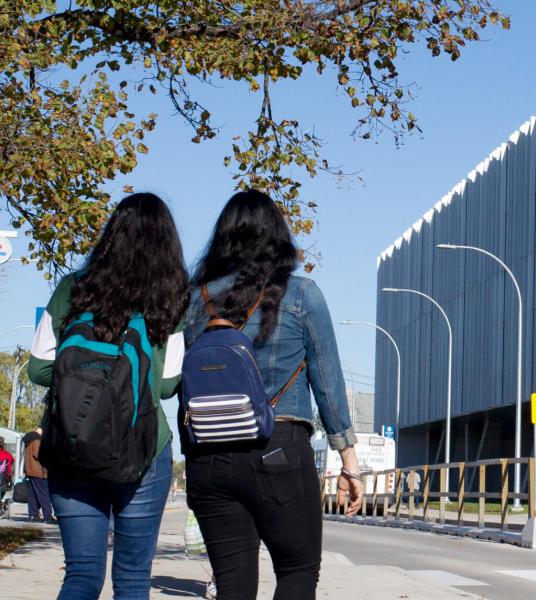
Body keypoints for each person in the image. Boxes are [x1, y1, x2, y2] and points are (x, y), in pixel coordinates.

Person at [183, 190, 363, 600]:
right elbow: (328, 384)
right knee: (298, 572)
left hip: (207, 456)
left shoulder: (195, 300)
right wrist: (349, 465)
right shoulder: (300, 294)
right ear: (279, 237)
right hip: (277, 448)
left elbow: (178, 379)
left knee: (232, 585)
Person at [28, 193, 188, 600]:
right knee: (132, 579)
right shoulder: (170, 299)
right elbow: (168, 385)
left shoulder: (73, 289)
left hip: (71, 446)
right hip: (144, 451)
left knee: (81, 575)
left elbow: (38, 368)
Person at [23, 428, 54, 523]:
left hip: (31, 471)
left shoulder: (29, 440)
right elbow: (39, 454)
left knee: (33, 495)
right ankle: (47, 516)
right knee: (44, 494)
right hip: (39, 472)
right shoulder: (37, 440)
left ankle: (33, 515)